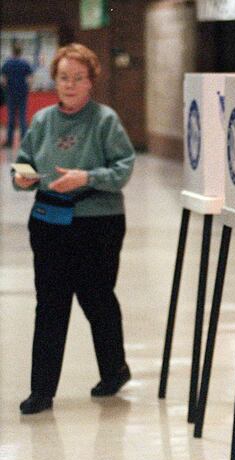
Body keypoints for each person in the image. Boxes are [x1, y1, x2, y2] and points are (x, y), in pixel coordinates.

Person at [12, 43, 135, 415]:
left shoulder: (105, 121)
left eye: (78, 78)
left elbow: (124, 167)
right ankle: (42, 390)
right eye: (63, 77)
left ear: (91, 82)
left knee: (96, 297)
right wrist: (23, 178)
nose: (69, 84)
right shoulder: (43, 121)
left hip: (97, 223)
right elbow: (24, 161)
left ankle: (115, 369)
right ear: (55, 79)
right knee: (50, 305)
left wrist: (88, 177)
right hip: (50, 222)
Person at [1, 44, 33, 147]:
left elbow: (4, 80)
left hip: (10, 93)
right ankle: (24, 142)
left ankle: (9, 142)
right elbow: (30, 79)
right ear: (21, 52)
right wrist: (28, 89)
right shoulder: (25, 63)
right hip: (22, 93)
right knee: (23, 118)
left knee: (11, 118)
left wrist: (6, 90)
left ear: (12, 52)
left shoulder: (7, 63)